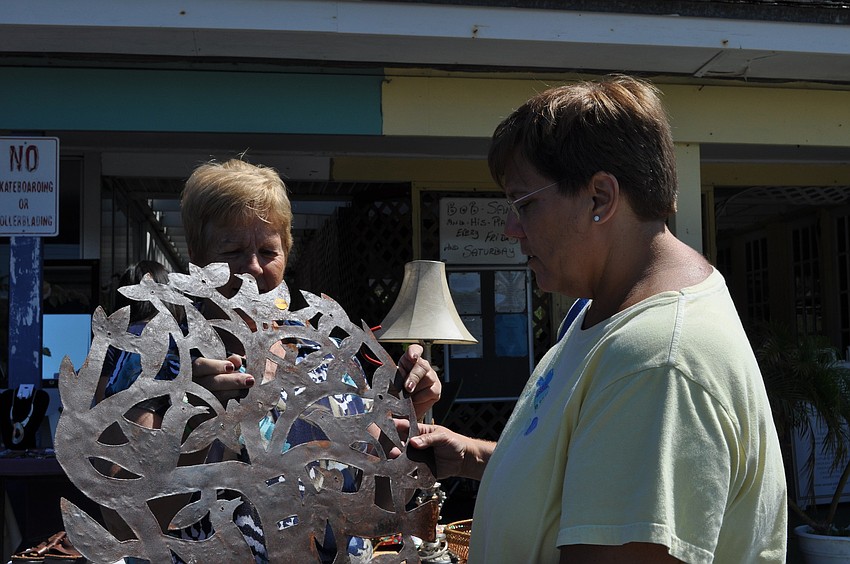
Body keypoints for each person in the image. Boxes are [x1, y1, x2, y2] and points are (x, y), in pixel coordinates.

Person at [406, 75, 787, 563]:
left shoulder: (656, 361)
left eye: (525, 203)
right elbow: (587, 476)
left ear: (600, 198)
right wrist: (469, 456)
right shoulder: (603, 313)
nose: (511, 228)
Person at [179, 158, 441, 563]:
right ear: (197, 258)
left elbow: (380, 502)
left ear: (287, 255)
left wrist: (406, 410)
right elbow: (123, 512)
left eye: (268, 250)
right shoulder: (163, 363)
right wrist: (193, 415)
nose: (252, 267)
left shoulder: (326, 360)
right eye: (231, 250)